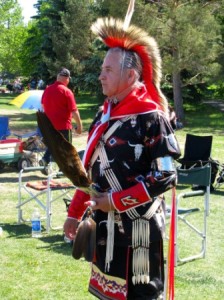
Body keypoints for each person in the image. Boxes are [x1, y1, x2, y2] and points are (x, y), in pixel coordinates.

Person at [64, 18, 181, 300]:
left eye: (108, 70)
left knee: (141, 295)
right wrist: (74, 212)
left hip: (140, 230)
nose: (100, 76)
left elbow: (166, 175)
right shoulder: (104, 115)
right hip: (105, 228)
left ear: (130, 76)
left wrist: (116, 201)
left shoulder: (152, 118)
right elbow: (88, 168)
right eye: (101, 69)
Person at [41, 68, 82, 166]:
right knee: (66, 149)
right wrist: (79, 126)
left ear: (58, 77)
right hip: (63, 125)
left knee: (54, 144)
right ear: (67, 78)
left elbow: (43, 106)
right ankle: (64, 169)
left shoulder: (47, 90)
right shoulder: (67, 91)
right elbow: (74, 111)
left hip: (49, 125)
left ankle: (46, 159)